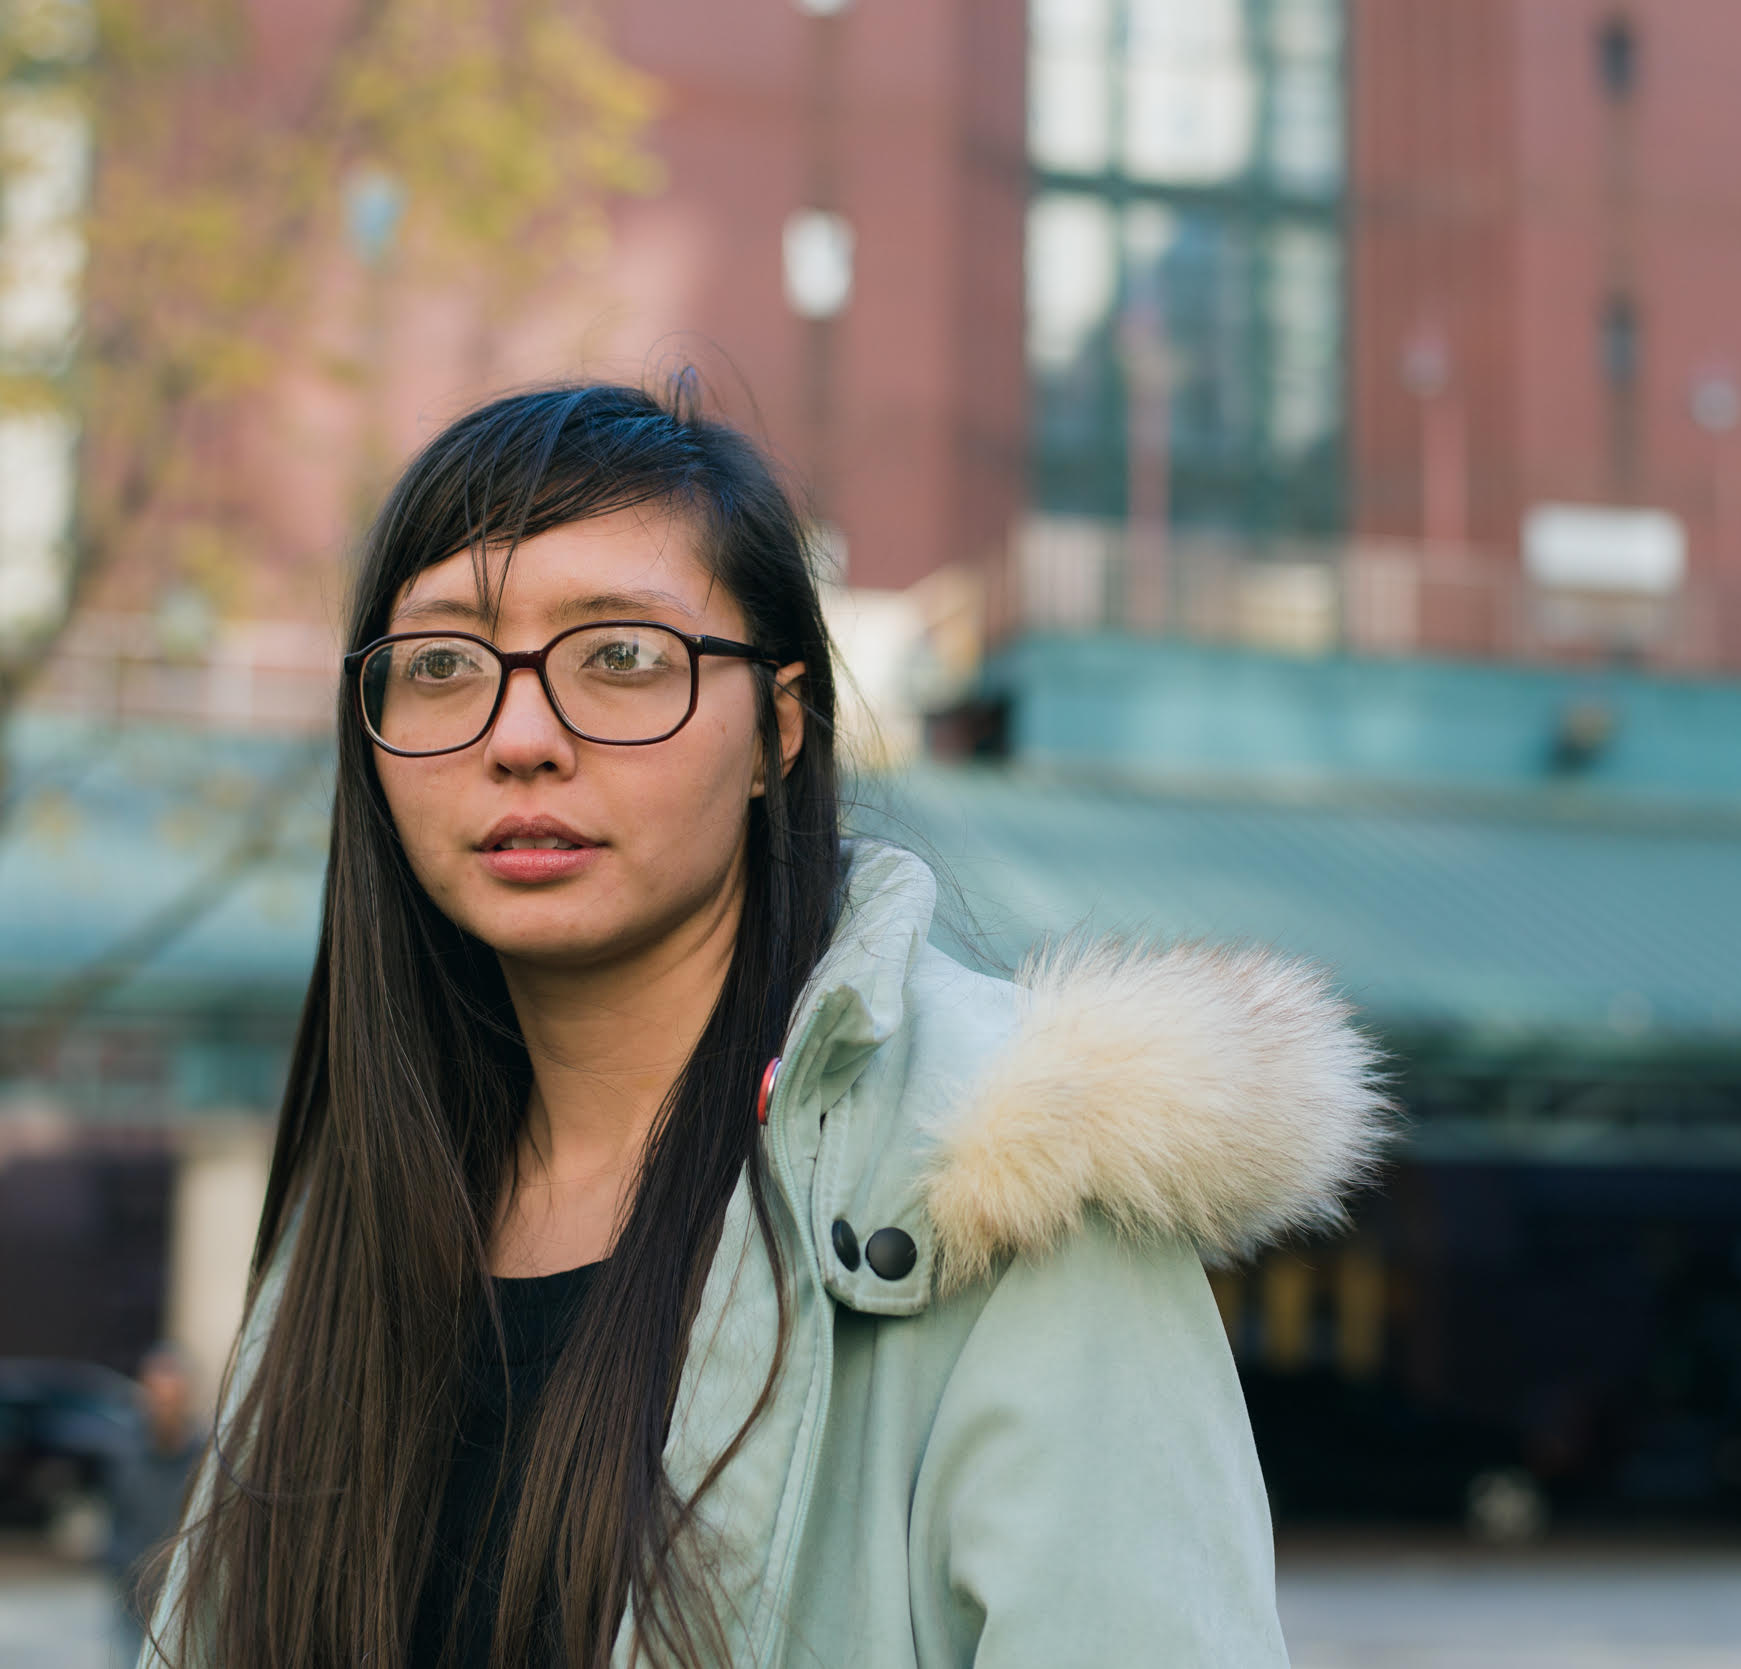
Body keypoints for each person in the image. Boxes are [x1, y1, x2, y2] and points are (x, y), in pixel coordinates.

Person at [141, 381, 1385, 1669]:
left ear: (773, 734)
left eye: (620, 657)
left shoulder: (1011, 1170)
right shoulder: (365, 1205)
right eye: (444, 665)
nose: (517, 736)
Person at [109, 1344, 203, 1658]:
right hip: (132, 1600)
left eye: (171, 1397)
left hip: (189, 1603)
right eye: (155, 1396)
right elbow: (115, 1516)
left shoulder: (207, 1461)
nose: (162, 1406)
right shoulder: (123, 1454)